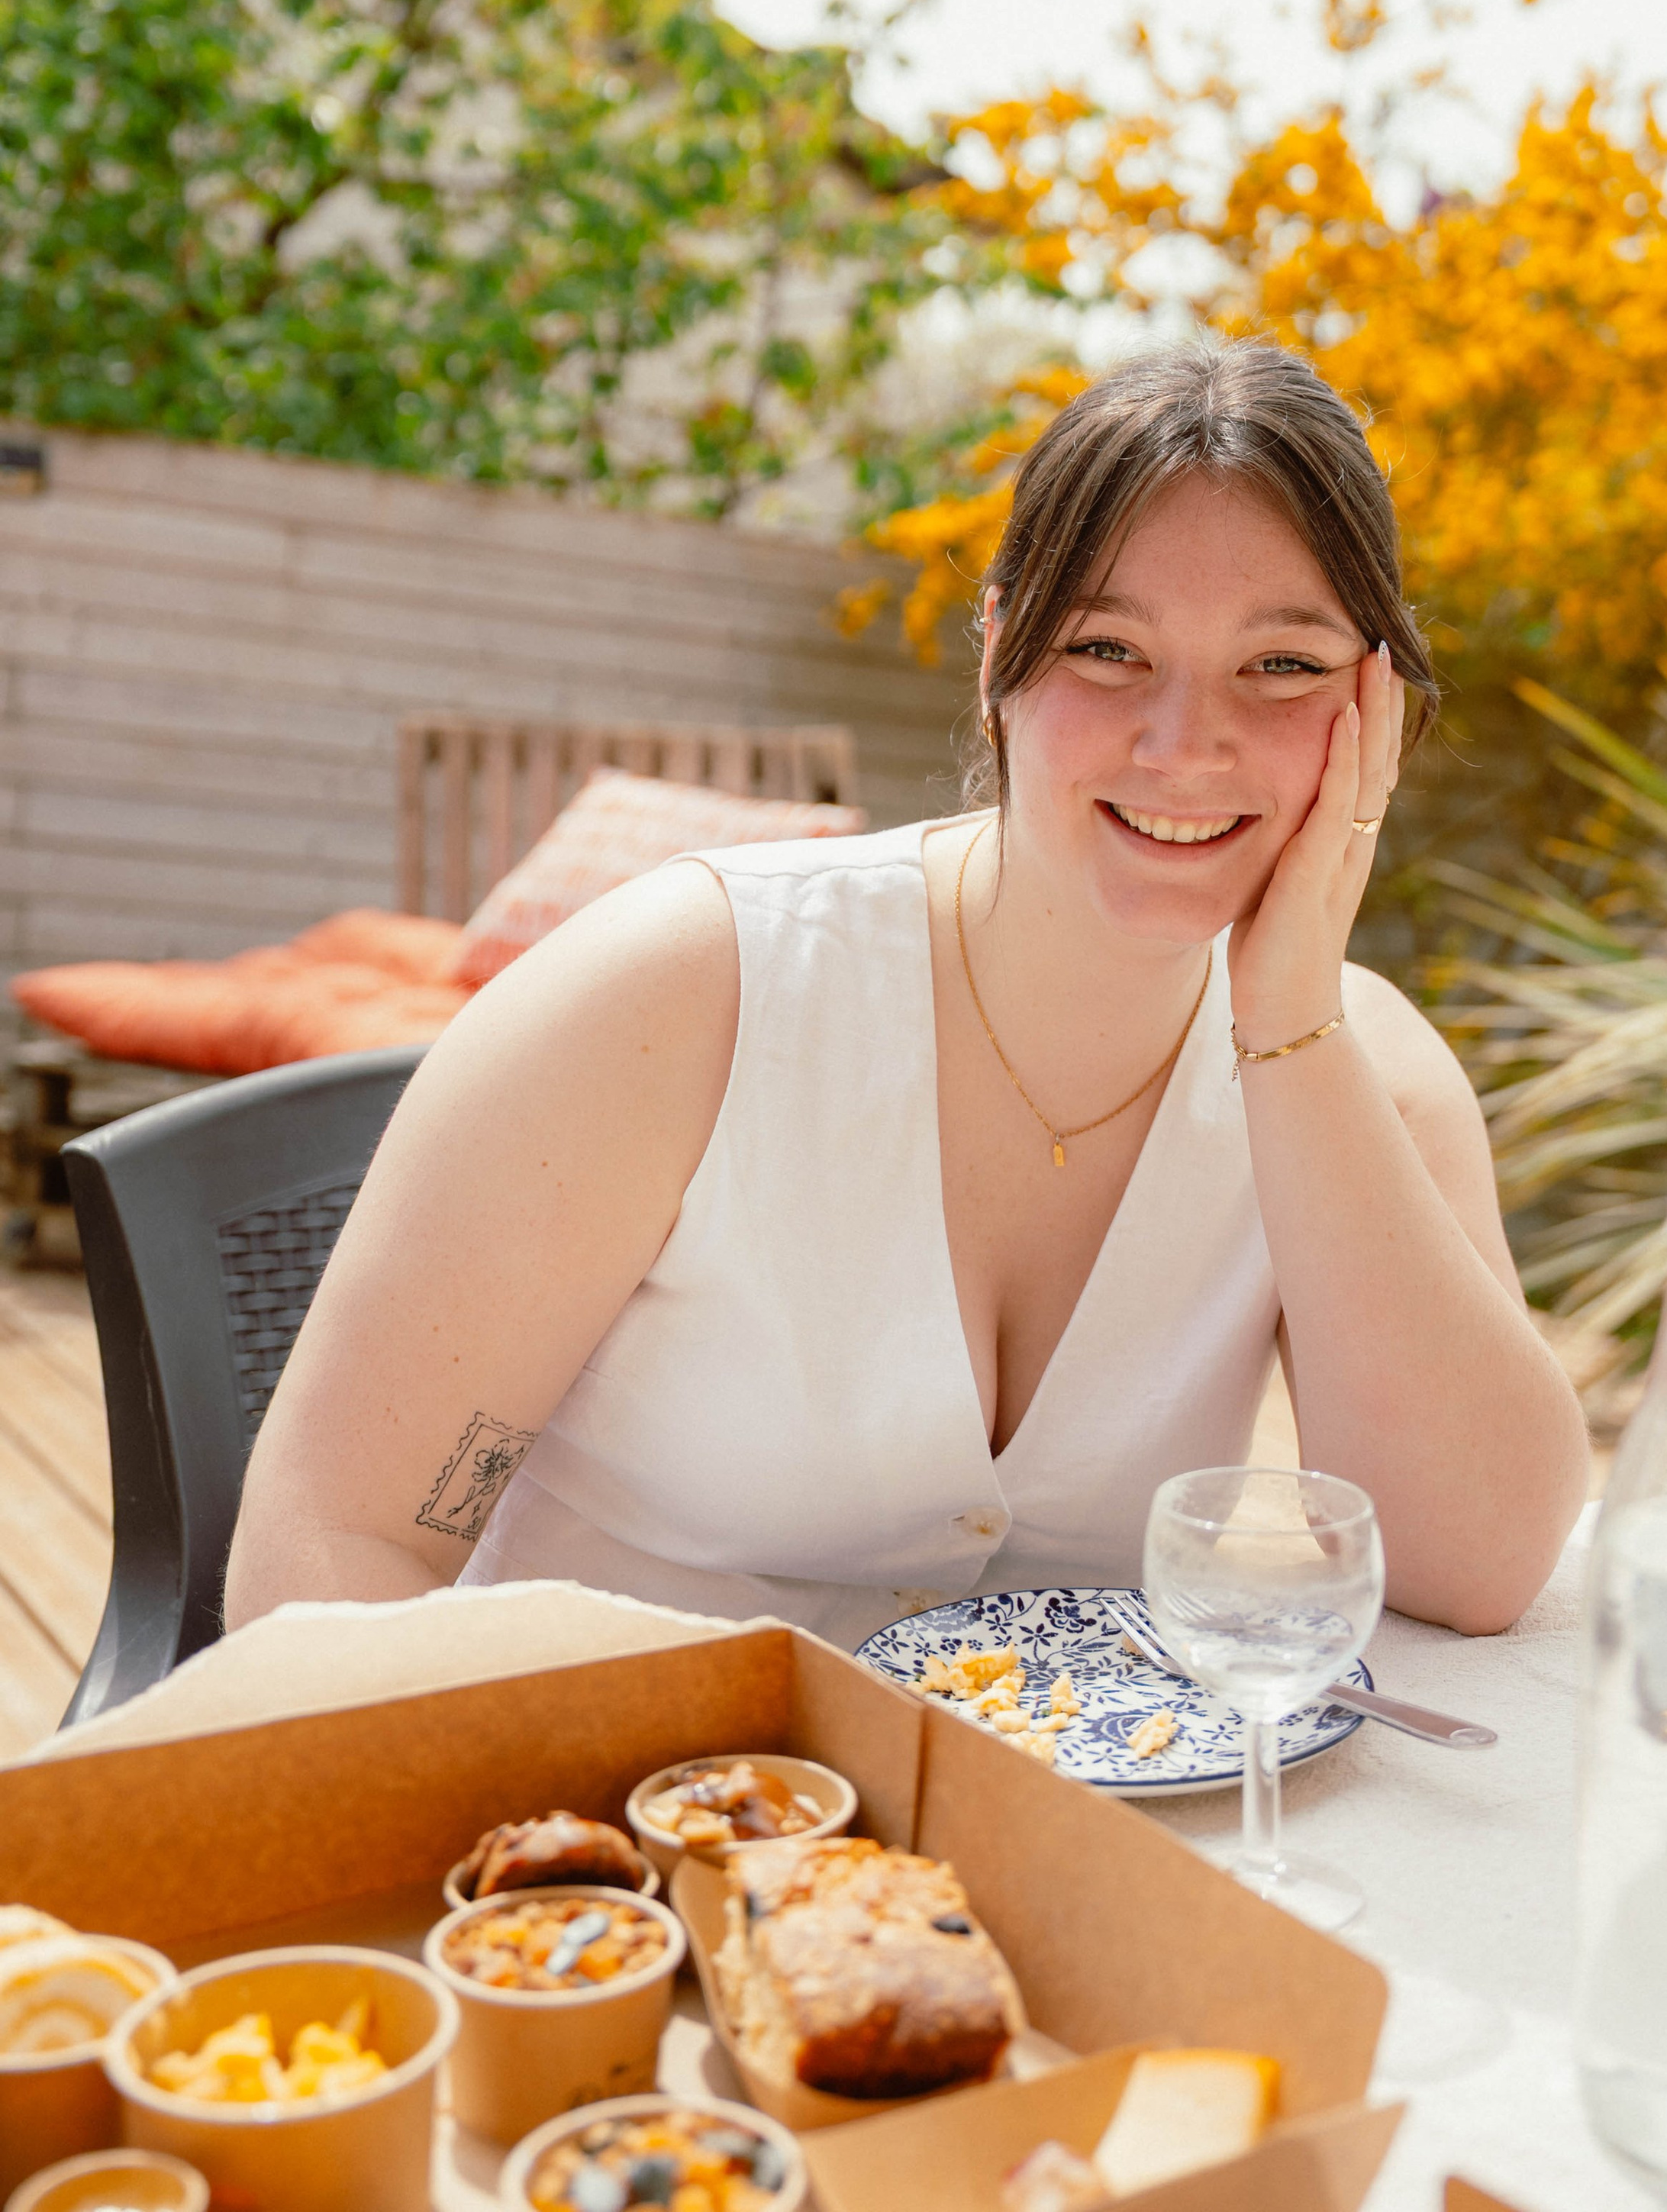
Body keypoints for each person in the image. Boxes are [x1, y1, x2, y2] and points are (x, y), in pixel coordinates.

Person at [228, 341, 1589, 1644]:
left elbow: (1473, 1569)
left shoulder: (1360, 1072)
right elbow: (337, 1542)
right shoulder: (675, 997)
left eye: (1282, 665)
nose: (1187, 742)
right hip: (617, 1826)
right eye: (1107, 649)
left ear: (1377, 708)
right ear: (999, 650)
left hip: (1046, 1860)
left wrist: (1291, 1019)